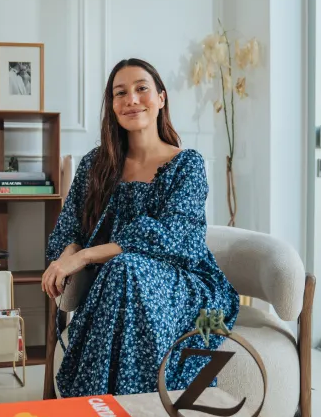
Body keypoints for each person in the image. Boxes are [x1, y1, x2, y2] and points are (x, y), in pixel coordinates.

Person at [42, 58, 240, 399]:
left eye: (141, 88)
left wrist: (87, 255)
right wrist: (69, 254)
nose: (131, 99)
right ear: (112, 106)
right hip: (116, 283)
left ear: (161, 98)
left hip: (188, 287)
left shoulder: (186, 165)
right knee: (124, 270)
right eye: (120, 93)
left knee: (126, 267)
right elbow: (69, 229)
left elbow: (173, 238)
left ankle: (111, 407)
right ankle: (107, 413)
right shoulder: (94, 165)